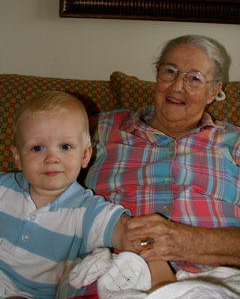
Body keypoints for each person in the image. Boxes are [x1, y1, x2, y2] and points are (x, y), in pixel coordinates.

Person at [85, 35, 240, 274]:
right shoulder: (100, 129)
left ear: (213, 92)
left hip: (217, 278)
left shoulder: (236, 143)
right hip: (110, 273)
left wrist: (188, 242)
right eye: (170, 71)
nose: (178, 86)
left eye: (195, 78)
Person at [0, 91, 175, 299]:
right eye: (37, 148)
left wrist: (162, 278)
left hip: (26, 294)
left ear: (84, 156)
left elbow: (131, 234)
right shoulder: (3, 187)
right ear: (18, 157)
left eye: (65, 146)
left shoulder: (87, 211)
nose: (52, 158)